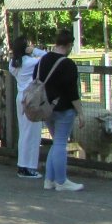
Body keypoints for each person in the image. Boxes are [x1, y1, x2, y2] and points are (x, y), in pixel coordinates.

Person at [35, 28, 85, 192]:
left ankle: (49, 179)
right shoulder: (67, 64)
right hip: (63, 109)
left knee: (56, 142)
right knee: (60, 143)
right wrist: (81, 112)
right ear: (69, 45)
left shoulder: (42, 60)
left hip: (46, 108)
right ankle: (61, 181)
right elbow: (72, 92)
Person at [7, 34, 47, 179]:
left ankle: (22, 164)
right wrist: (34, 50)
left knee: (24, 132)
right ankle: (29, 167)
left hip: (21, 98)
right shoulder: (32, 62)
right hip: (32, 99)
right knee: (33, 133)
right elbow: (48, 57)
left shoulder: (13, 64)